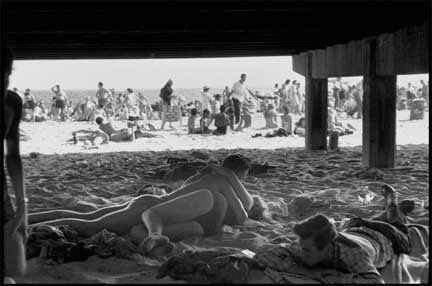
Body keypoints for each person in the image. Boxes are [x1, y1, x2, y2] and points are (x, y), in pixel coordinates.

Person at [28, 155, 257, 257]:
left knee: (87, 215)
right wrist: (230, 176)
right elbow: (246, 205)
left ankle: (25, 218)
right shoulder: (223, 181)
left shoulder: (204, 176)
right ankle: (23, 228)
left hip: (147, 202)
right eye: (242, 177)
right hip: (148, 208)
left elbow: (181, 191)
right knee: (90, 225)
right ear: (239, 173)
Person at [286, 184, 421, 283]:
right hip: (355, 226)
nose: (301, 254)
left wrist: (337, 278)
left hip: (387, 235)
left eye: (307, 251)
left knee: (395, 220)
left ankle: (393, 199)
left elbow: (374, 281)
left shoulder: (353, 255)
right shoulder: (305, 244)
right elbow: (270, 254)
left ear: (327, 248)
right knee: (379, 217)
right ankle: (397, 207)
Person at [3, 47, 28, 281]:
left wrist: (22, 203)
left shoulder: (11, 102)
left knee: (15, 267)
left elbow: (12, 155)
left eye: (7, 73)